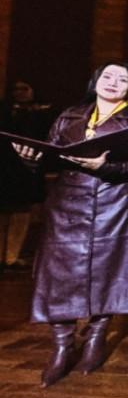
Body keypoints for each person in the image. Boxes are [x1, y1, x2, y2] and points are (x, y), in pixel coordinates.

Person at [12, 62, 128, 387]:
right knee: (59, 274)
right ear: (95, 81)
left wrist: (105, 167)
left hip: (115, 202)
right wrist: (31, 158)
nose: (113, 82)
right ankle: (62, 346)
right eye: (108, 76)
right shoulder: (70, 115)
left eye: (122, 79)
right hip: (68, 202)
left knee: (109, 270)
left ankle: (95, 338)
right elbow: (50, 155)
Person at [0, 79, 53, 269]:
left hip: (27, 169)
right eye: (16, 89)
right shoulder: (4, 110)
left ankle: (12, 256)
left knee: (22, 212)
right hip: (4, 168)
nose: (19, 92)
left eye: (24, 88)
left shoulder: (43, 113)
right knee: (3, 214)